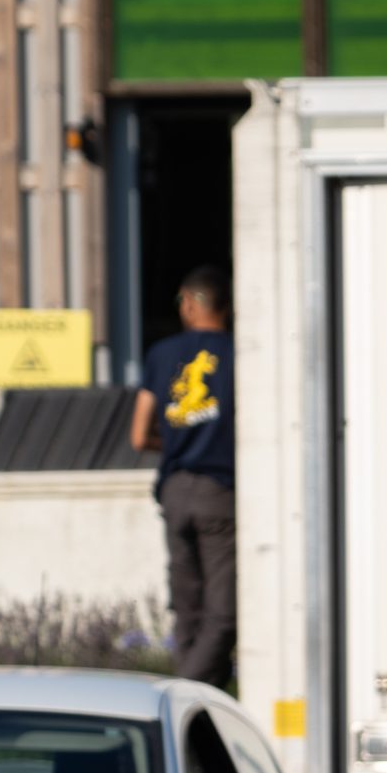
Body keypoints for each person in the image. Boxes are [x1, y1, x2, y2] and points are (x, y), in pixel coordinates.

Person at [131, 266, 237, 687]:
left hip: (174, 490)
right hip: (219, 491)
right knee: (223, 612)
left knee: (188, 608)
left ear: (190, 303)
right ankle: (187, 694)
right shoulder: (240, 353)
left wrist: (175, 443)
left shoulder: (161, 354)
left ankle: (191, 700)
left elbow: (139, 435)